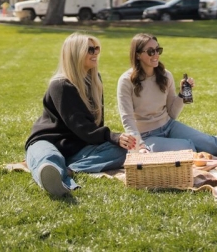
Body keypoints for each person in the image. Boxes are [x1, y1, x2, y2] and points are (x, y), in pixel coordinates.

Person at [25, 33, 137, 197]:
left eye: (96, 49)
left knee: (123, 151)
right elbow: (82, 126)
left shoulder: (94, 81)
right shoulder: (61, 85)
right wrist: (112, 136)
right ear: (75, 53)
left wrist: (116, 141)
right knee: (49, 157)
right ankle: (53, 176)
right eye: (90, 50)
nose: (95, 53)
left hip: (78, 145)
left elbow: (94, 126)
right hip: (49, 141)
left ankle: (68, 169)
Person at [117, 33, 217, 155]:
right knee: (188, 148)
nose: (156, 55)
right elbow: (127, 119)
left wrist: (182, 94)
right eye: (151, 51)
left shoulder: (165, 76)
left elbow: (172, 114)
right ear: (138, 55)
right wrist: (140, 145)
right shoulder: (126, 81)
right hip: (146, 136)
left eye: (158, 50)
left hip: (168, 126)